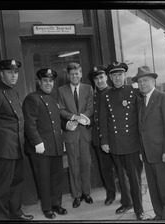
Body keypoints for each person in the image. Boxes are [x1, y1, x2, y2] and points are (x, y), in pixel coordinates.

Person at [0, 59, 33, 221]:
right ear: (1, 73)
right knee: (2, 186)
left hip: (17, 146)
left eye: (16, 72)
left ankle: (16, 214)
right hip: (2, 148)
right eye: (10, 72)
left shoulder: (13, 92)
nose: (14, 75)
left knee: (16, 183)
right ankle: (2, 217)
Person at [131, 65, 165, 220]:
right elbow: (142, 130)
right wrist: (141, 151)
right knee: (154, 190)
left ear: (153, 81)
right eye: (139, 81)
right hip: (147, 155)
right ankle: (159, 215)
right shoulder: (141, 101)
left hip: (162, 154)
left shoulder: (164, 98)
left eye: (145, 80)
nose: (142, 84)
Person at [99, 61, 145, 220]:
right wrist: (104, 140)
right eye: (114, 75)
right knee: (121, 175)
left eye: (120, 74)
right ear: (110, 78)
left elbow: (141, 118)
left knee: (134, 177)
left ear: (124, 75)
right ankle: (126, 202)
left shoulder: (134, 92)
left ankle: (139, 208)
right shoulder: (106, 95)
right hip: (115, 142)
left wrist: (141, 141)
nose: (117, 78)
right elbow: (103, 120)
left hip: (132, 142)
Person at [22, 68, 68, 219]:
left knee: (57, 177)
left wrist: (66, 125)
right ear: (39, 82)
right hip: (40, 147)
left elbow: (55, 121)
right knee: (44, 178)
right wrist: (36, 141)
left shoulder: (53, 99)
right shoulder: (32, 98)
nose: (48, 83)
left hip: (55, 145)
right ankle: (47, 208)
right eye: (45, 81)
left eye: (50, 81)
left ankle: (56, 204)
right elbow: (29, 123)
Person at [89, 65, 132, 207]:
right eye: (96, 78)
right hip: (99, 139)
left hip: (115, 138)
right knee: (105, 169)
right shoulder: (94, 96)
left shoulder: (112, 92)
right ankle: (110, 194)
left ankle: (126, 196)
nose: (99, 81)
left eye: (101, 77)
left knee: (121, 170)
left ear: (106, 77)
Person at [57, 62, 94, 208]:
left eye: (77, 73)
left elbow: (90, 108)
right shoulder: (61, 90)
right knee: (73, 165)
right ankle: (77, 195)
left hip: (84, 133)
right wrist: (74, 117)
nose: (74, 76)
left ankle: (86, 193)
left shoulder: (88, 89)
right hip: (71, 133)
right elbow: (61, 110)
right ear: (68, 75)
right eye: (72, 74)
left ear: (81, 73)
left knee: (86, 163)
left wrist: (82, 117)